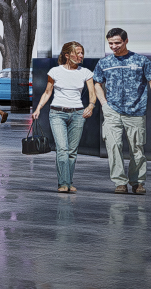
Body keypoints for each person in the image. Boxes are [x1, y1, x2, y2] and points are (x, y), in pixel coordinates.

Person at [92, 27, 151, 195]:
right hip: (112, 111)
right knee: (113, 146)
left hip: (136, 111)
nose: (114, 46)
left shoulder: (140, 60)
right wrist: (104, 103)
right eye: (110, 43)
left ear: (126, 41)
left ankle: (138, 182)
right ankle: (120, 182)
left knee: (137, 149)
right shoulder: (104, 63)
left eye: (117, 43)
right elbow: (96, 83)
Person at [28, 40, 96, 193]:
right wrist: (38, 108)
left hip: (78, 114)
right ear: (67, 55)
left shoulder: (85, 72)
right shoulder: (55, 71)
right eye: (77, 53)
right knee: (62, 149)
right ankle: (63, 183)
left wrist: (91, 106)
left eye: (82, 53)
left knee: (72, 151)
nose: (81, 56)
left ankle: (68, 182)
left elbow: (92, 94)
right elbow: (47, 92)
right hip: (57, 113)